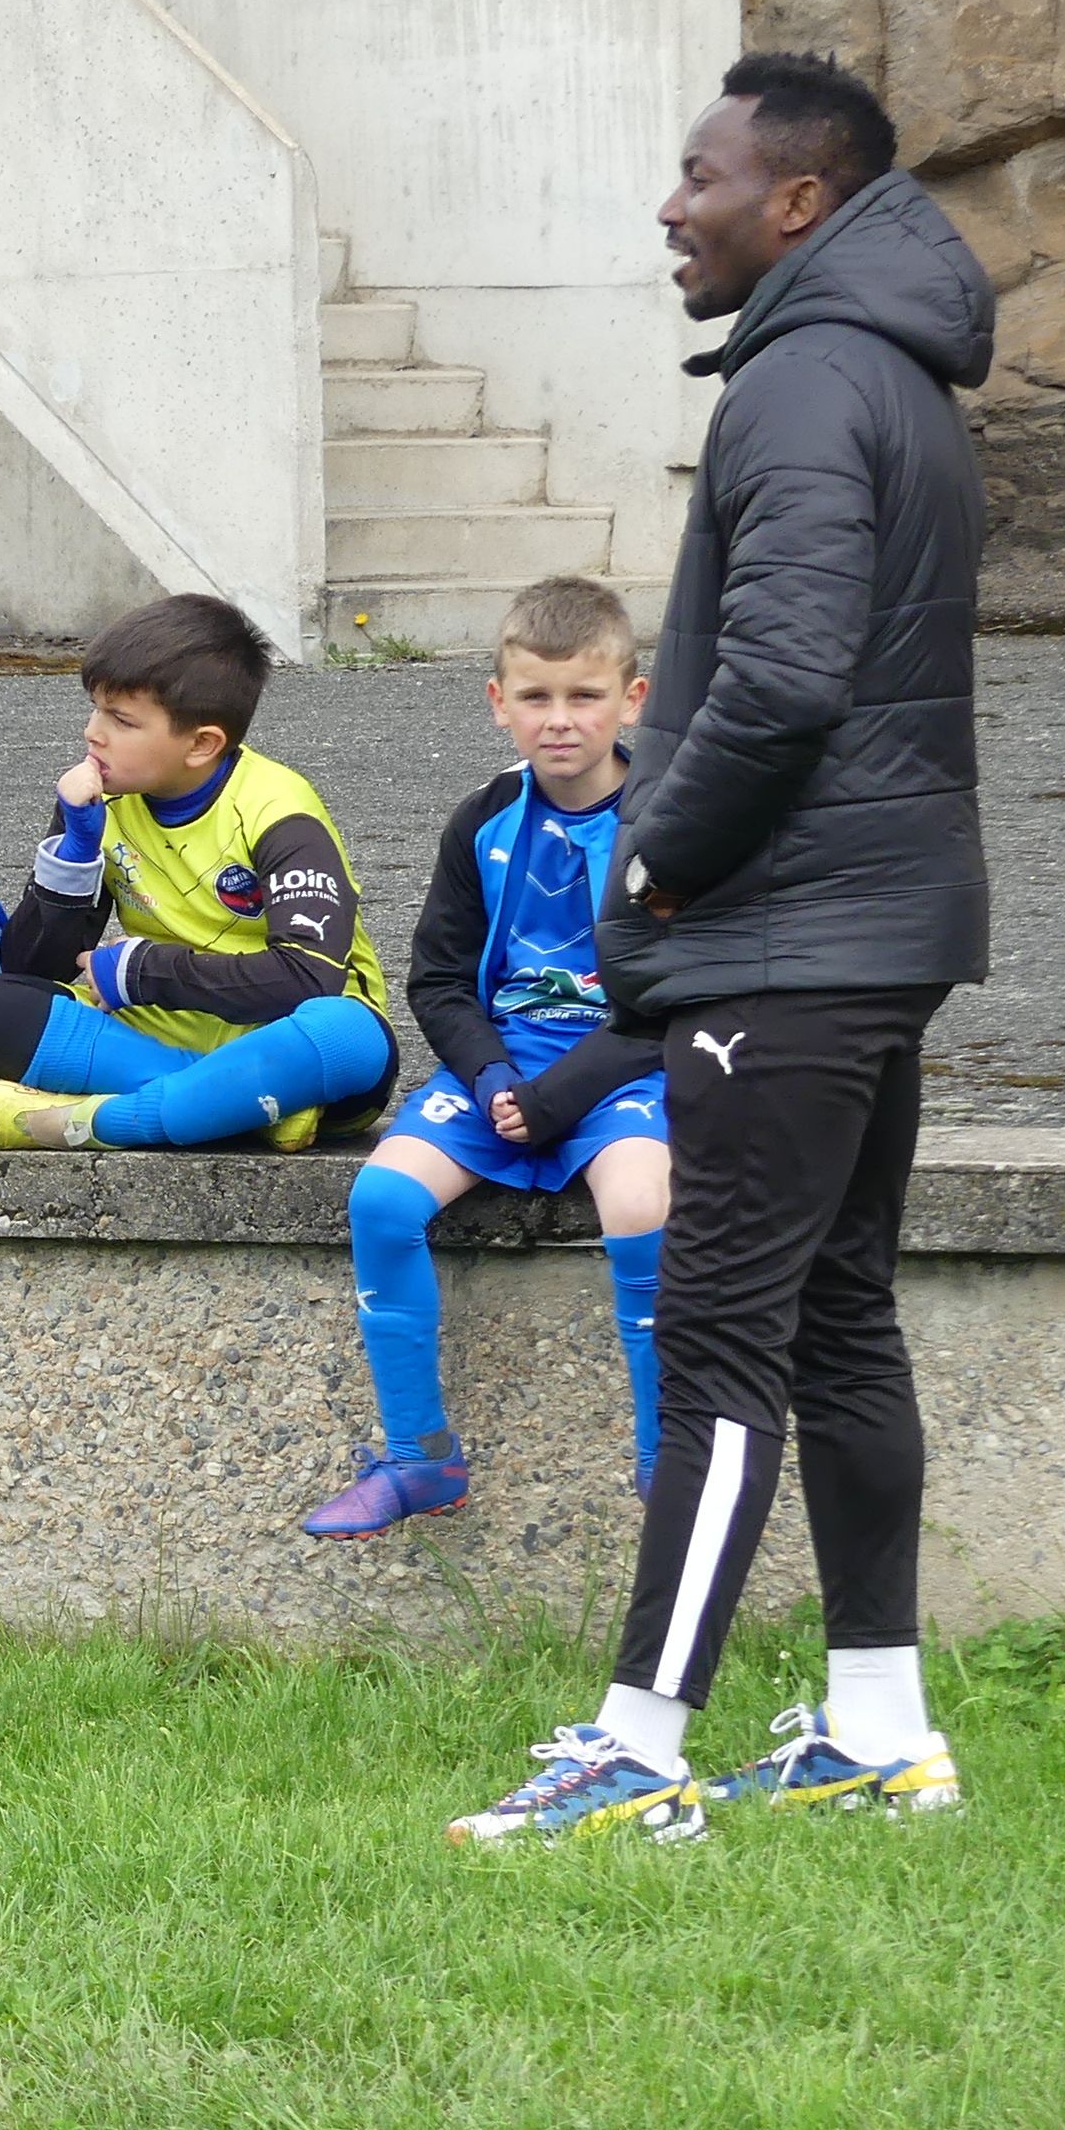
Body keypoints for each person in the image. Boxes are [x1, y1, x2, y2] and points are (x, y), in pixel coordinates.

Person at [453, 53, 991, 1846]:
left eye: (701, 174)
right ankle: (877, 1729)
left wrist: (659, 872)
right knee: (835, 1320)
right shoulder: (886, 370)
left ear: (800, 201)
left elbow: (783, 673)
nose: (670, 205)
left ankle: (638, 1748)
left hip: (791, 937)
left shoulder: (807, 381)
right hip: (868, 927)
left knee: (721, 1338)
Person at [306, 577, 670, 1540]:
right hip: (503, 1072)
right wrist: (496, 1076)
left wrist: (559, 1096)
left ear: (632, 699)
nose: (560, 721)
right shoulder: (483, 819)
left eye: (584, 696)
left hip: (620, 1071)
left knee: (640, 1200)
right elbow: (438, 983)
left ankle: (666, 1459)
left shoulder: (671, 822)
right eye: (536, 698)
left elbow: (679, 1002)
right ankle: (421, 1458)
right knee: (380, 1199)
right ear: (498, 701)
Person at [0, 590, 396, 1154]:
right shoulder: (102, 798)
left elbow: (307, 976)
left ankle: (105, 1122)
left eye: (121, 720)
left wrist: (142, 972)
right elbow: (30, 966)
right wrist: (74, 855)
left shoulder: (280, 810)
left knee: (350, 1033)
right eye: (96, 708)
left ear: (202, 744)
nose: (92, 732)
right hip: (162, 1037)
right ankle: (237, 1105)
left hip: (287, 1040)